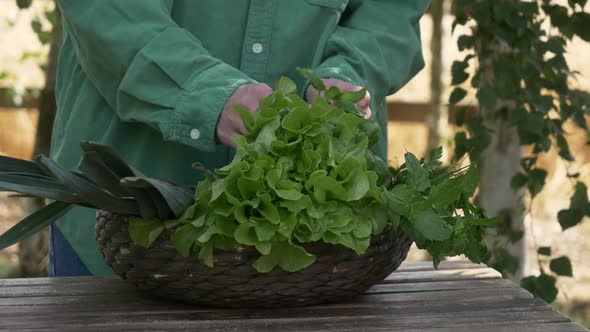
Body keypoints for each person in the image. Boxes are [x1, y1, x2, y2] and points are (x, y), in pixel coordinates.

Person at [50, 0, 430, 276]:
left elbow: (391, 12)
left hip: (316, 242)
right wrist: (204, 93)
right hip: (123, 217)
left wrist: (350, 71)